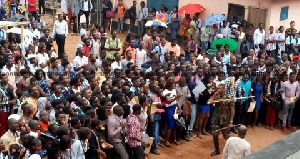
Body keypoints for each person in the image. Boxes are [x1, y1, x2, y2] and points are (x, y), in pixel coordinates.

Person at [210, 84, 235, 156]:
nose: (218, 90)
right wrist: (213, 101)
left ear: (224, 89)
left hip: (225, 119)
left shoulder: (228, 97)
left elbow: (232, 109)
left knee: (226, 135)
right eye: (217, 88)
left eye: (219, 89)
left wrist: (231, 121)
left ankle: (232, 148)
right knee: (215, 134)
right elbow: (210, 100)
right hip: (216, 118)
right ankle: (217, 150)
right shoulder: (216, 94)